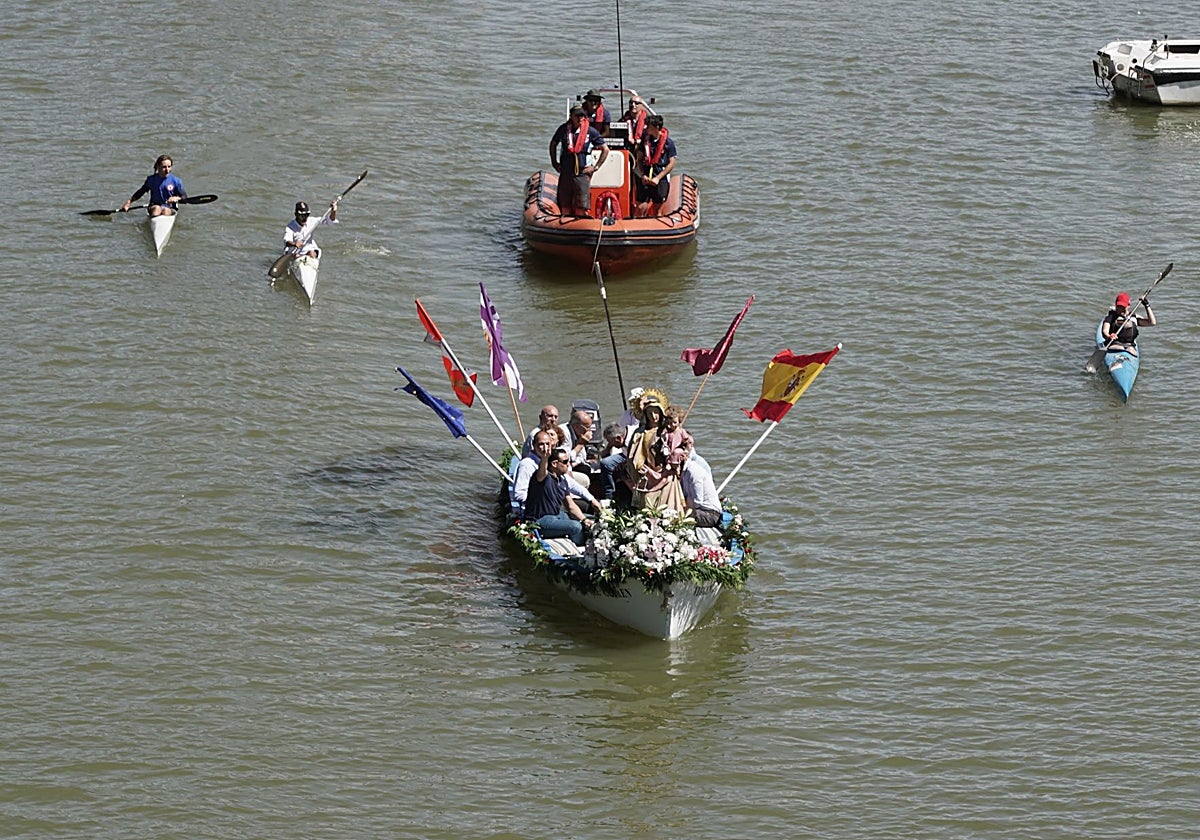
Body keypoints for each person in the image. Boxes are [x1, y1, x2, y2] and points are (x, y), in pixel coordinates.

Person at [513, 431, 599, 517]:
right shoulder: (527, 464)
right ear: (533, 445)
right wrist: (542, 499)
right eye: (541, 444)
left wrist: (591, 499)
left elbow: (570, 483)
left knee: (588, 502)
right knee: (585, 508)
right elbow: (519, 494)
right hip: (538, 509)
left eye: (547, 444)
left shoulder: (550, 461)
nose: (545, 448)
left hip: (554, 500)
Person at [525, 447, 593, 546]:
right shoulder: (544, 478)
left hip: (557, 516)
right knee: (576, 527)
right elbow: (541, 473)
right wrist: (545, 458)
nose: (568, 464)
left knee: (590, 518)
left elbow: (571, 506)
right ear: (554, 464)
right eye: (565, 461)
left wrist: (584, 519)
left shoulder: (562, 480)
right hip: (540, 521)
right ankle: (580, 551)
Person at [549, 106, 609, 217]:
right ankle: (565, 226)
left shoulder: (591, 131)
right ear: (571, 116)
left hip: (582, 173)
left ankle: (581, 223)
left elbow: (605, 149)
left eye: (582, 115)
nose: (580, 118)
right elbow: (553, 143)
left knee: (581, 205)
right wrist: (554, 162)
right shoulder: (563, 129)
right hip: (566, 171)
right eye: (577, 115)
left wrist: (595, 167)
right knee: (565, 203)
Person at [634, 115, 676, 218]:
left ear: (656, 127)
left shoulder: (668, 143)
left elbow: (671, 163)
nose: (646, 128)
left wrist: (658, 178)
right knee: (641, 206)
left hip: (659, 177)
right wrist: (643, 175)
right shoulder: (645, 140)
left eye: (648, 126)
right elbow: (639, 158)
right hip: (645, 176)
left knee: (658, 208)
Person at [121, 154, 186, 217]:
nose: (167, 170)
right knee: (156, 209)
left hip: (170, 208)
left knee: (165, 211)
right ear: (158, 167)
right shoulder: (151, 180)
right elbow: (141, 192)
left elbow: (184, 198)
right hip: (154, 206)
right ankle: (155, 223)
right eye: (164, 167)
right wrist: (129, 202)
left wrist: (177, 198)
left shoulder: (176, 181)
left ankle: (162, 224)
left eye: (169, 167)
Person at [681, 458, 723, 528]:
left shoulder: (694, 472)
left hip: (710, 514)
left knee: (678, 515)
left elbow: (697, 503)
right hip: (699, 510)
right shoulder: (684, 473)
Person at [657, 405, 694, 480]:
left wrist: (686, 452)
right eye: (669, 423)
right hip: (669, 450)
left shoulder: (681, 431)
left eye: (674, 422)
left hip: (678, 453)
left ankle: (676, 468)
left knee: (676, 452)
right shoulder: (668, 431)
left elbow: (688, 442)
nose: (672, 425)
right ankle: (669, 464)